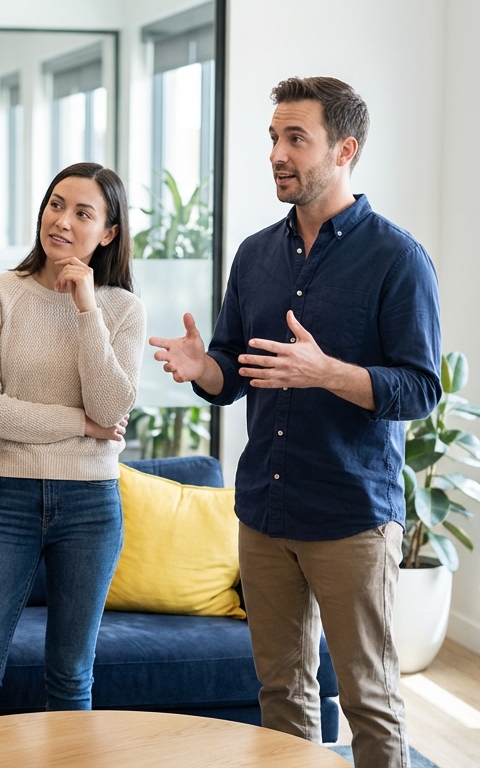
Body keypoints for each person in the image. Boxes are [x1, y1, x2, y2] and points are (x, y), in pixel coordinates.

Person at [150, 76, 440, 767]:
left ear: (345, 150)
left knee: (369, 698)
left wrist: (328, 372)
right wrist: (204, 369)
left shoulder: (397, 259)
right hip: (264, 513)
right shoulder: (255, 255)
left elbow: (421, 388)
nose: (278, 153)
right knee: (280, 690)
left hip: (349, 516)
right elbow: (230, 371)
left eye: (296, 138)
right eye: (274, 138)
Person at [0, 162, 144, 722]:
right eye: (56, 204)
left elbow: (113, 407)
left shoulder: (121, 308)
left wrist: (86, 307)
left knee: (71, 677)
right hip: (5, 498)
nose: (61, 221)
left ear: (108, 232)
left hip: (91, 505)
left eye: (83, 213)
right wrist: (80, 425)